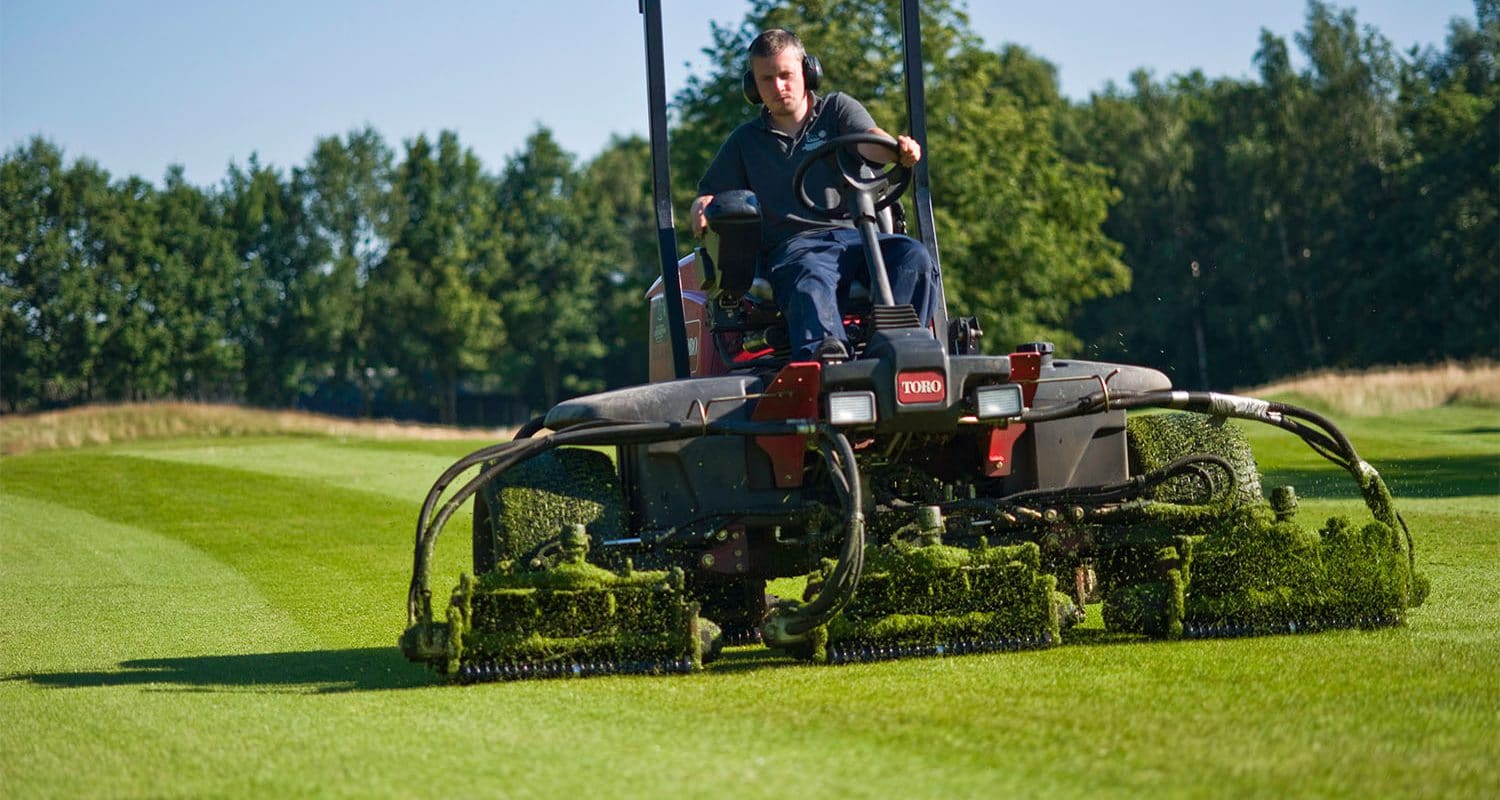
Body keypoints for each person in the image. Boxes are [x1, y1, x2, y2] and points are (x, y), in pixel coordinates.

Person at [691, 29, 938, 362]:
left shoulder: (836, 110)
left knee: (914, 258)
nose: (778, 87)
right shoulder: (745, 142)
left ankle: (896, 348)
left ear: (807, 72)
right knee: (810, 277)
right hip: (796, 249)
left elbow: (869, 141)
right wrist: (702, 207)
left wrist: (896, 151)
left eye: (785, 75)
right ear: (753, 87)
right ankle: (828, 360)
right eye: (767, 79)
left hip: (858, 240)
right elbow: (710, 194)